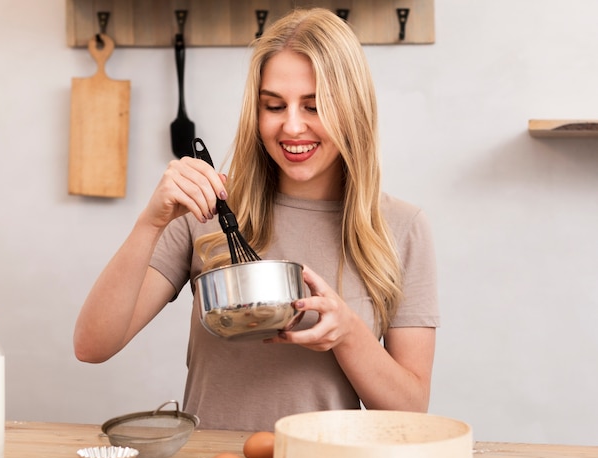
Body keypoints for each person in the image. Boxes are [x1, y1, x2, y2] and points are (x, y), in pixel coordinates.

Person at [73, 7, 439, 431]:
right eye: (274, 105)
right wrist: (150, 222)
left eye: (315, 106)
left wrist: (348, 334)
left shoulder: (401, 228)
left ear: (353, 108)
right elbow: (92, 345)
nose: (292, 126)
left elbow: (411, 412)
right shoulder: (207, 209)